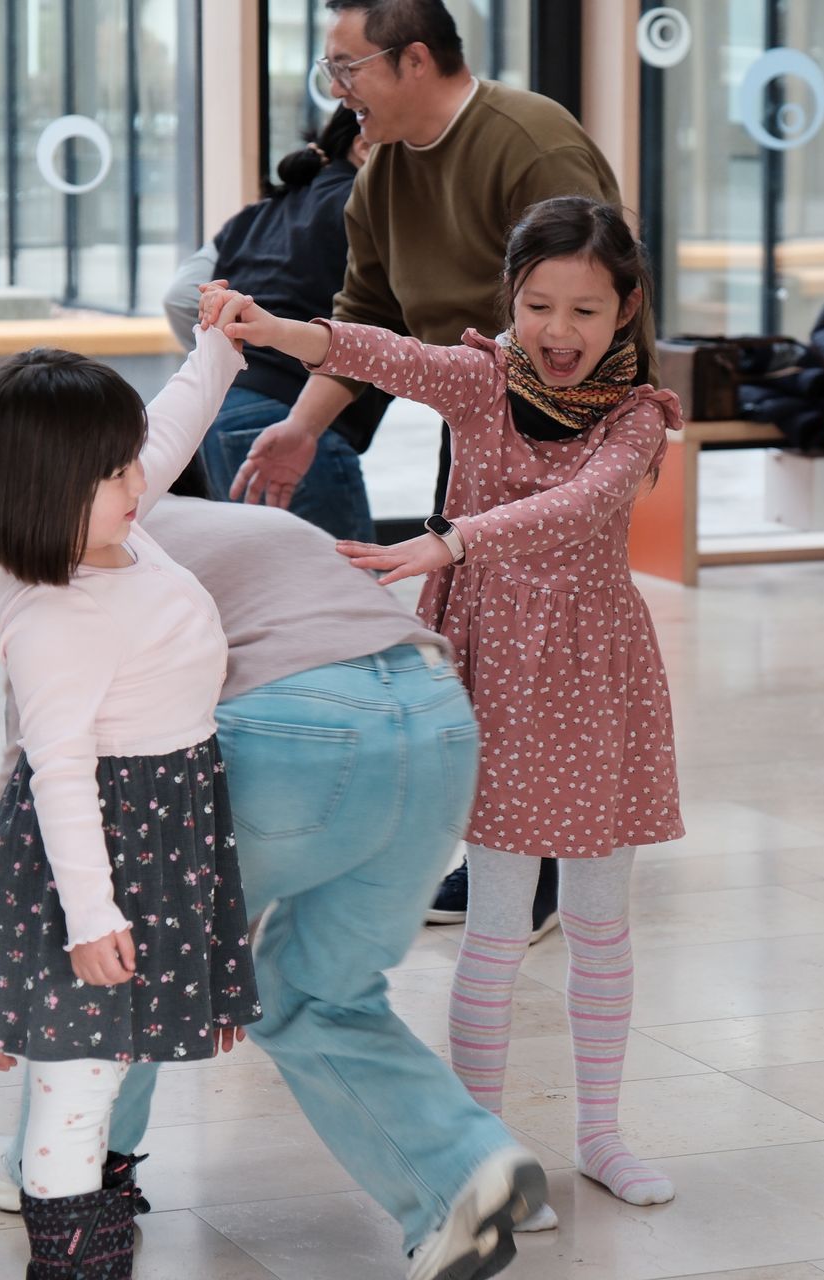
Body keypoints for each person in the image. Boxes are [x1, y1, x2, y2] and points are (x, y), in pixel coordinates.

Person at [201, 194, 685, 1228]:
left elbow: (583, 504)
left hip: (596, 667)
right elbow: (378, 351)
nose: (559, 330)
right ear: (511, 296)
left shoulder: (638, 415)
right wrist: (273, 328)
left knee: (601, 918)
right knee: (497, 923)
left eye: (586, 310)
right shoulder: (482, 378)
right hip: (498, 667)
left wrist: (453, 540)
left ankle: (601, 1132)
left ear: (627, 308)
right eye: (539, 304)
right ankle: (484, 1147)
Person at [0, 464, 547, 1280]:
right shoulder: (229, 522)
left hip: (294, 724)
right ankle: (464, 1173)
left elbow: (43, 779)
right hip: (437, 718)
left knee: (127, 955)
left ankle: (79, 1176)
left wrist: (0, 955)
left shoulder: (81, 561)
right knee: (317, 991)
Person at [229, 0, 622, 931]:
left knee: (542, 654)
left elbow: (601, 303)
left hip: (567, 427)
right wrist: (301, 428)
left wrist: (581, 453)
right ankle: (505, 854)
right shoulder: (383, 176)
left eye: (347, 67)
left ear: (412, 60)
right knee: (478, 645)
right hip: (476, 418)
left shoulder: (531, 145)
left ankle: (550, 867)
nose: (337, 90)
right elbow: (367, 318)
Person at [0, 323, 265, 1278]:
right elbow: (57, 772)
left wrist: (218, 349)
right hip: (96, 856)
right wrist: (92, 919)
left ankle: (93, 1230)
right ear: (45, 487)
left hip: (160, 829)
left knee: (110, 1066)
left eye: (130, 463)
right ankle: (72, 1261)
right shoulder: (58, 610)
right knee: (78, 1087)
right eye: (116, 472)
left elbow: (165, 433)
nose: (142, 482)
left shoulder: (108, 529)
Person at [162, 107, 392, 542]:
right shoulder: (373, 204)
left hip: (215, 415)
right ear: (363, 146)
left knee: (259, 581)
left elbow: (180, 296)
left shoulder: (259, 213)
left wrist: (231, 357)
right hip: (291, 414)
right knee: (338, 584)